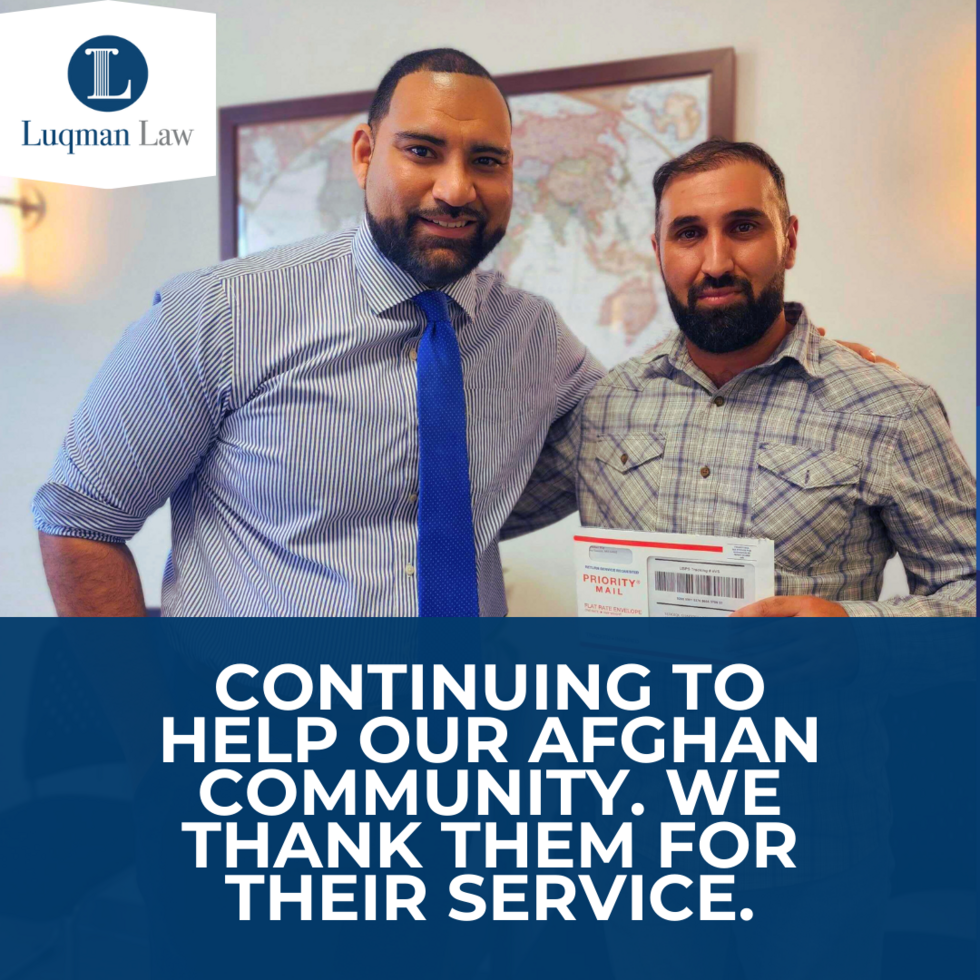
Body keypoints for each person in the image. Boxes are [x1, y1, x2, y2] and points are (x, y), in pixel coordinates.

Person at [33, 51, 887, 618]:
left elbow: (658, 412)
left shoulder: (531, 337)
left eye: (487, 161)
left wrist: (800, 354)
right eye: (422, 151)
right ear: (365, 154)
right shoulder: (219, 313)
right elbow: (79, 518)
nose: (456, 188)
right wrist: (150, 734)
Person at [504, 138, 976, 616]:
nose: (715, 264)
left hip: (798, 694)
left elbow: (967, 588)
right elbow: (475, 512)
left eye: (743, 227)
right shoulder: (605, 404)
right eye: (688, 233)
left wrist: (856, 630)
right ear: (658, 251)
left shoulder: (891, 410)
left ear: (789, 241)